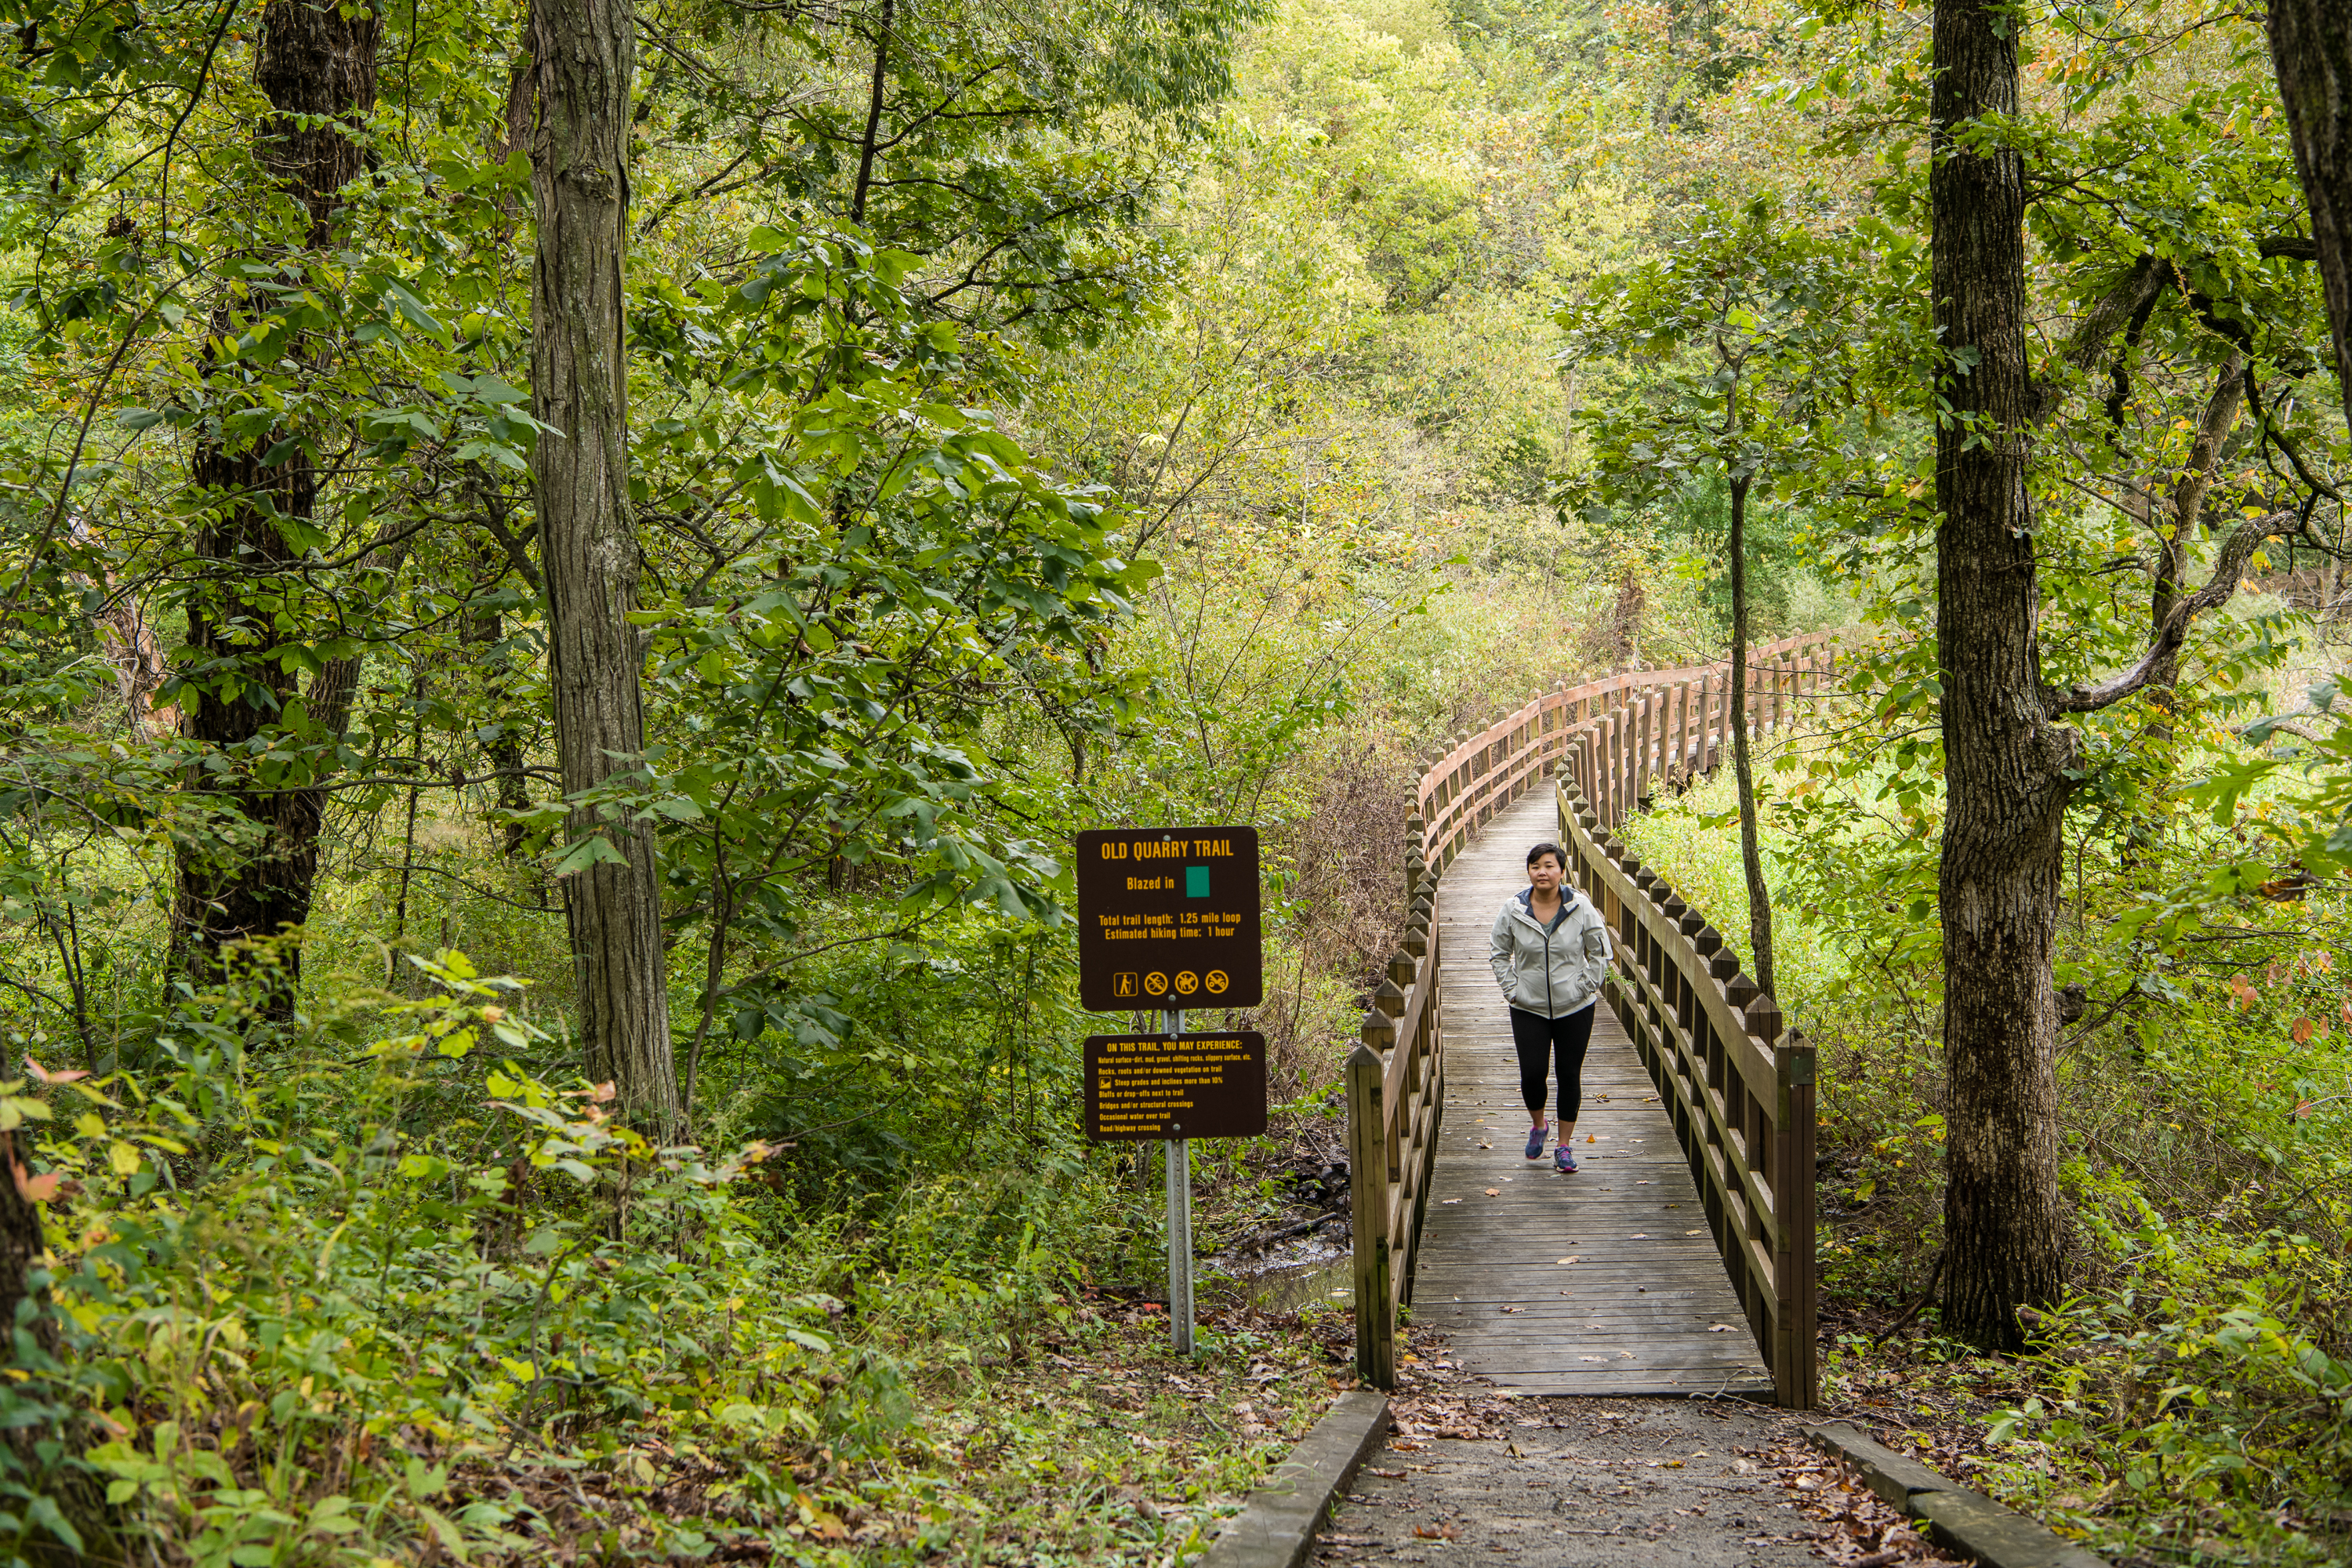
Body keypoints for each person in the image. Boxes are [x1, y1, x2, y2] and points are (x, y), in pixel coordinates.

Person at [1487, 840, 1612, 1173]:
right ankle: (1539, 1126)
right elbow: (1499, 953)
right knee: (1532, 1073)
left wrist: (1585, 986)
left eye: (1549, 865)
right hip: (1529, 1006)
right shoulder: (1513, 909)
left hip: (1576, 1006)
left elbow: (1599, 952)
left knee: (1569, 1074)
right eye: (1535, 866)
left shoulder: (1580, 907)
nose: (1542, 872)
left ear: (1561, 870)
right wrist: (1513, 990)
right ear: (1529, 871)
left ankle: (1564, 1147)